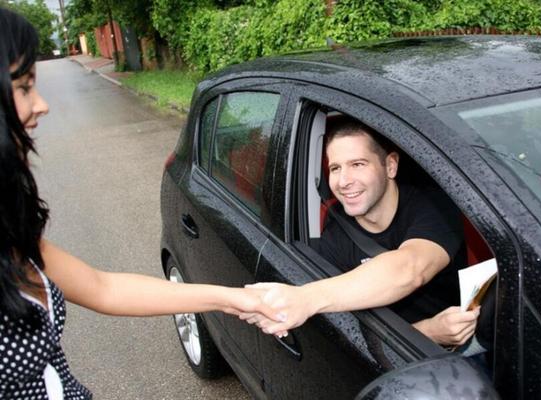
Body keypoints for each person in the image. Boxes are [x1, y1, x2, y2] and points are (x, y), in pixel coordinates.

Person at [0, 8, 279, 399]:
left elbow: (103, 288)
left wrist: (231, 298)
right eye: (25, 87)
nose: (42, 104)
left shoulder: (11, 231)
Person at [242, 117, 480, 347]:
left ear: (390, 165)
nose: (343, 181)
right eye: (335, 168)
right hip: (400, 354)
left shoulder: (433, 207)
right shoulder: (334, 238)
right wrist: (427, 332)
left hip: (464, 344)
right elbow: (353, 340)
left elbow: (410, 268)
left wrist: (306, 299)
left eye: (357, 164)